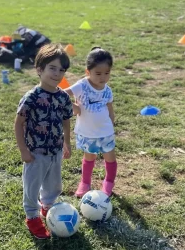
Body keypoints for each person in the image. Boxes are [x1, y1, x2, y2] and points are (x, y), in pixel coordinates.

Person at [14, 43, 74, 239]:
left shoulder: (63, 97)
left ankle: (46, 207)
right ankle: (32, 217)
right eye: (52, 68)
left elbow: (66, 120)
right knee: (32, 187)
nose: (57, 74)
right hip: (35, 153)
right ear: (39, 69)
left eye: (61, 70)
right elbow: (18, 123)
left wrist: (67, 142)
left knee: (55, 186)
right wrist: (23, 150)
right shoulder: (31, 97)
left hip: (55, 150)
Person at [65, 47, 117, 197]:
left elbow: (110, 108)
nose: (103, 77)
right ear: (88, 71)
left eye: (107, 73)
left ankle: (108, 183)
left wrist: (111, 125)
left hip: (105, 131)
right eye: (98, 73)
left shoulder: (107, 90)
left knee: (110, 158)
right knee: (89, 158)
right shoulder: (82, 85)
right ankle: (85, 182)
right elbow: (62, 94)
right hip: (87, 132)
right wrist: (73, 106)